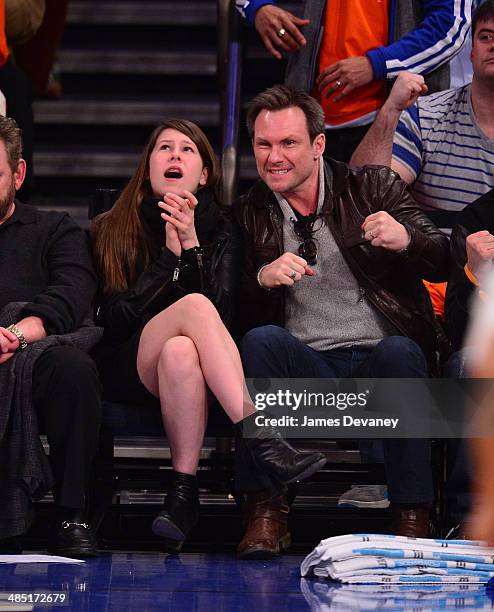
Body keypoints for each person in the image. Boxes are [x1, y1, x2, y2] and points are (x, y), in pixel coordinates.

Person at [231, 84, 450, 559]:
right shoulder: (251, 211)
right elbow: (230, 314)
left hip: (382, 362)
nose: (274, 157)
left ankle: (412, 514)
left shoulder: (373, 186)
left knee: (400, 352)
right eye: (263, 145)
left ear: (318, 144)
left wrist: (406, 238)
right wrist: (262, 279)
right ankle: (265, 511)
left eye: (288, 143)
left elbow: (442, 259)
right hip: (307, 364)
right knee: (261, 340)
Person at [90, 119, 327, 553]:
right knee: (191, 312)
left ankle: (182, 496)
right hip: (127, 363)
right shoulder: (110, 226)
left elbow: (222, 318)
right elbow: (113, 320)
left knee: (182, 349)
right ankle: (260, 436)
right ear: (149, 168)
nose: (174, 156)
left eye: (187, 150)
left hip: (192, 370)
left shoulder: (223, 230)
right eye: (164, 148)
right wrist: (168, 258)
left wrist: (194, 245)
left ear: (203, 176)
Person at [0, 115, 101, 557]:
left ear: (17, 175)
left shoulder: (54, 229)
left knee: (72, 368)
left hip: (31, 351)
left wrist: (14, 335)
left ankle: (70, 513)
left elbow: (73, 291)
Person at [236, 0, 471, 162]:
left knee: (382, 228)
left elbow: (451, 26)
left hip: (396, 119)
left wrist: (377, 64)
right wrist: (256, 8)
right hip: (310, 114)